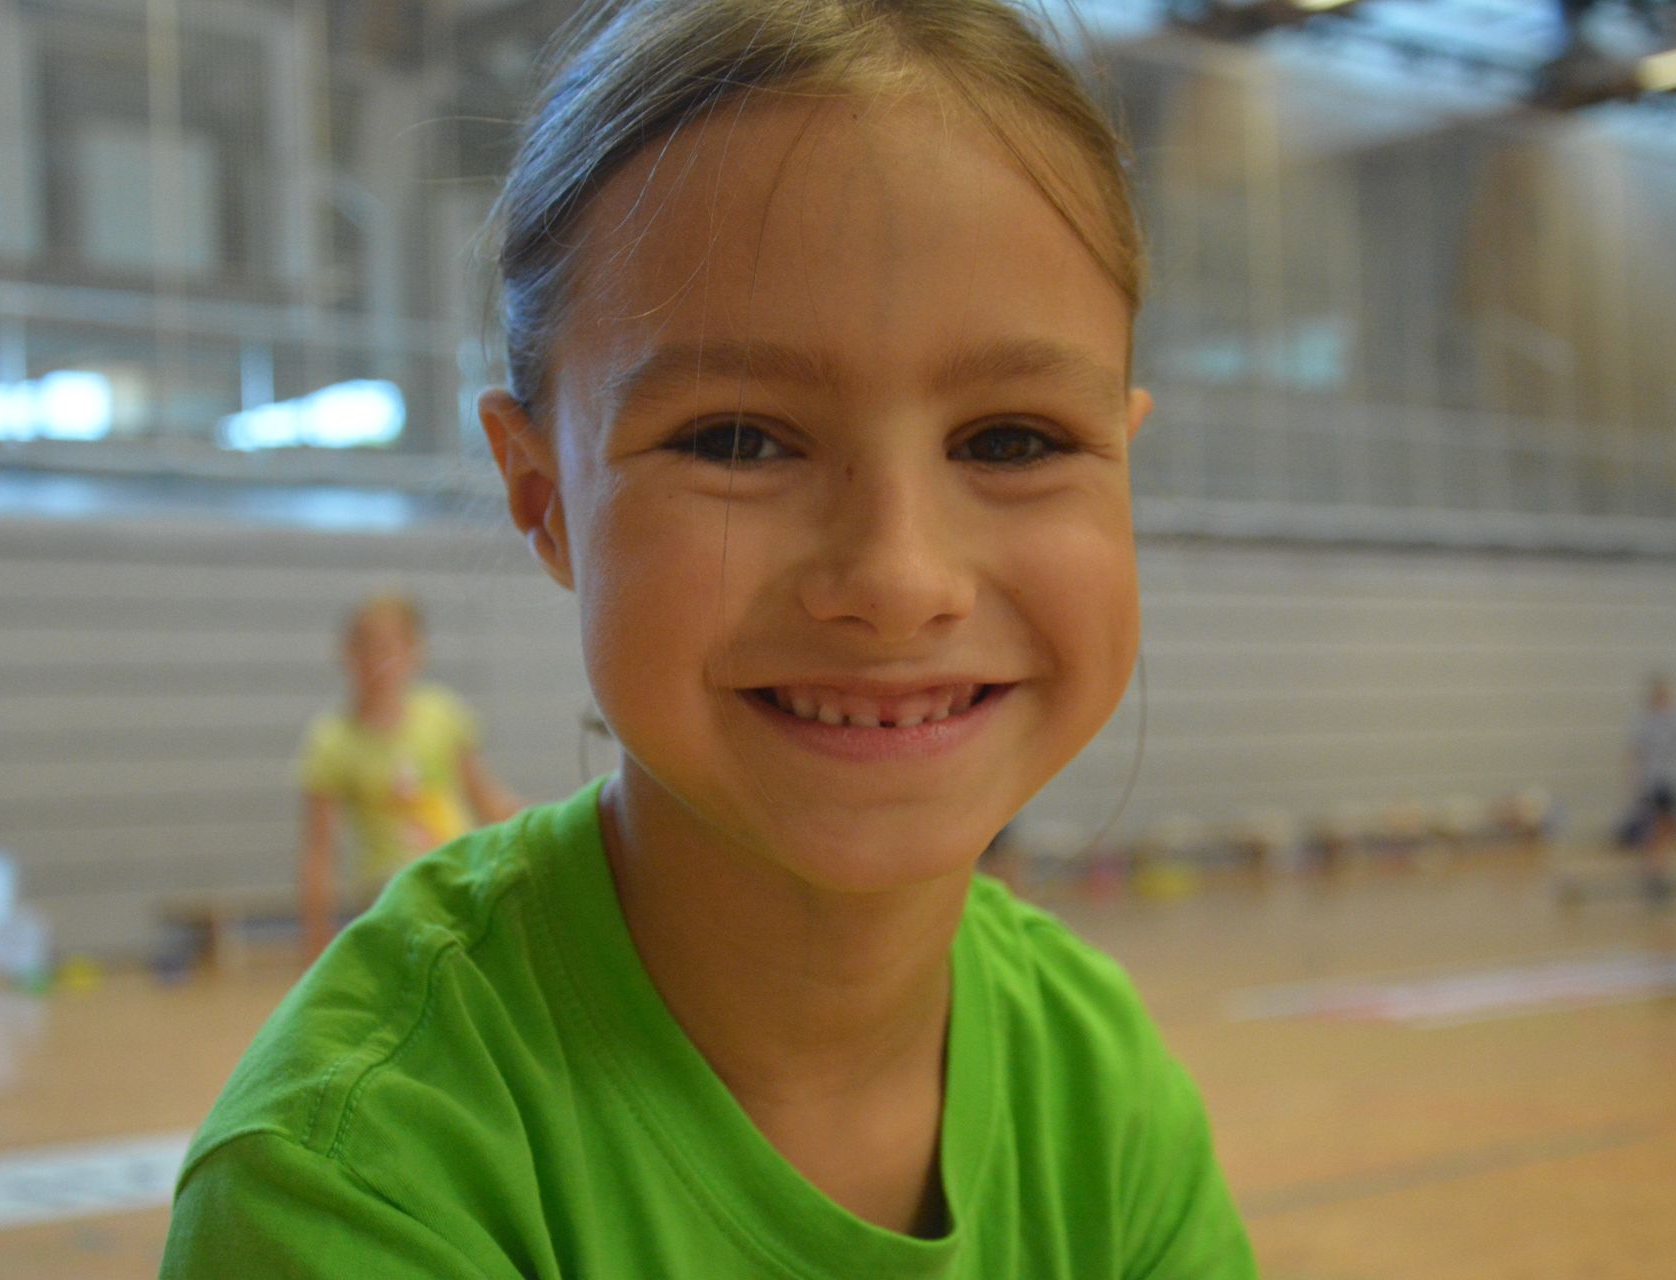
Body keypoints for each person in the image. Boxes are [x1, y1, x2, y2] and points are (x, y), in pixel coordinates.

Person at [164, 0, 1258, 1275]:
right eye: (739, 439)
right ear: (543, 497)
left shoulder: (1100, 1078)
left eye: (1012, 440)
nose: (898, 579)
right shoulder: (353, 1177)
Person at [296, 593, 522, 956]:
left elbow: (489, 801)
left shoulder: (442, 715)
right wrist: (316, 932)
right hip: (387, 896)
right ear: (347, 653)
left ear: (416, 651)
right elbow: (319, 849)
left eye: (391, 647)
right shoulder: (332, 741)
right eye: (367, 647)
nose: (379, 661)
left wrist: (539, 831)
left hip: (458, 879)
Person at [1625, 674, 1676, 898]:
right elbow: (1635, 752)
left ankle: (1661, 870)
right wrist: (1634, 781)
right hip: (1656, 780)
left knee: (1670, 828)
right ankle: (1653, 871)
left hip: (1675, 779)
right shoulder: (1644, 720)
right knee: (1657, 827)